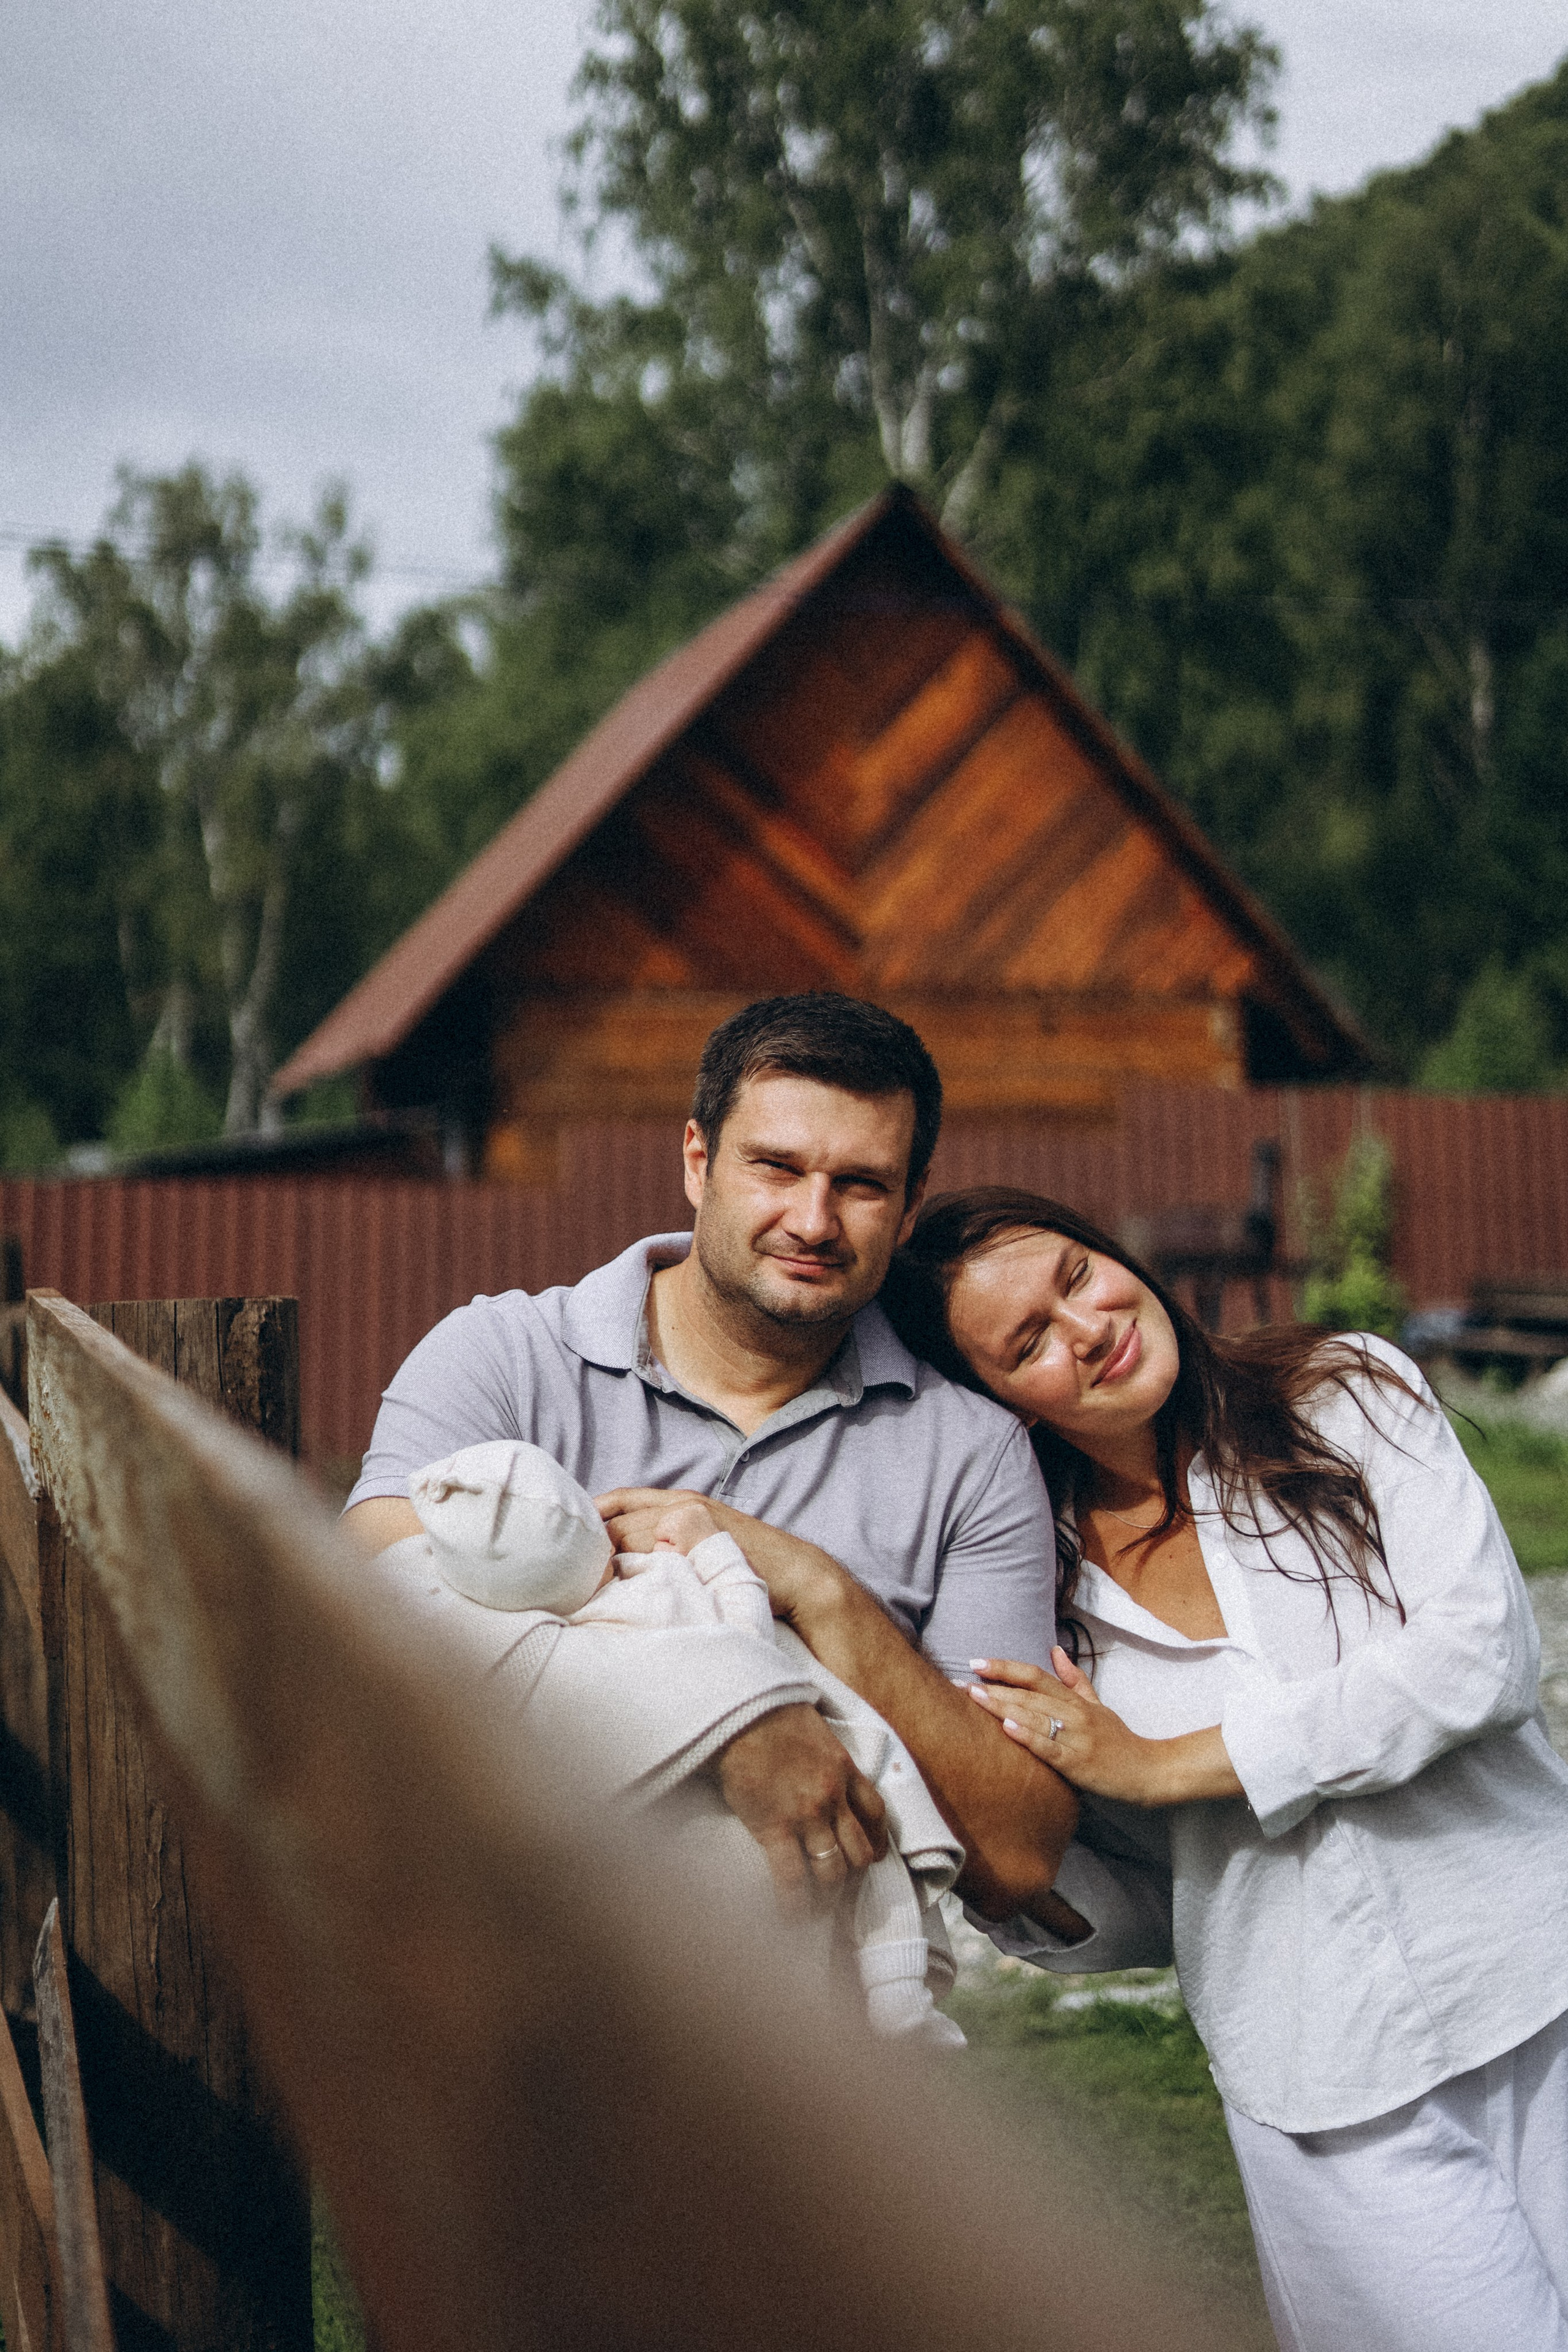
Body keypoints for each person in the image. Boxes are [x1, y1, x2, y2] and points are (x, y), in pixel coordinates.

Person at [885, 1184, 1568, 2352]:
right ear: (996, 1405)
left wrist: (1164, 1766)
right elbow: (1165, 1908)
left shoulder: (1346, 1392)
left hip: (1540, 1978)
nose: (1087, 1326)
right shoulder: (1044, 1612)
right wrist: (1000, 1873)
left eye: (1076, 1275)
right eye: (1031, 1342)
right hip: (1328, 2095)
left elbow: (1478, 1657)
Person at [343, 993, 1080, 1932]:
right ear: (698, 1160)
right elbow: (362, 1606)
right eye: (777, 1167)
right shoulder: (506, 1355)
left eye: (861, 1184)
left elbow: (1017, 1857)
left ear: (908, 1209)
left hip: (784, 2037)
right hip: (485, 1965)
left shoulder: (973, 1456)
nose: (813, 1221)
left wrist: (818, 1588)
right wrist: (735, 1719)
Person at [380, 1438, 967, 2043]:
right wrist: (713, 1551)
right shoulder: (658, 1581)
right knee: (872, 1863)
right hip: (696, 1922)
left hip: (639, 1945)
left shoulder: (512, 1624)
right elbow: (746, 1631)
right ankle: (902, 2004)